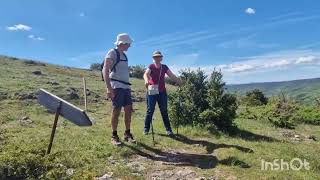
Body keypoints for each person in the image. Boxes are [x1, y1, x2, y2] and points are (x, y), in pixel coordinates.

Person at [102, 33, 135, 145]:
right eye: (128, 44)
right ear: (123, 43)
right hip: (117, 86)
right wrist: (109, 88)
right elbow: (105, 70)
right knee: (116, 111)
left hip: (126, 87)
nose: (129, 46)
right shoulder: (112, 52)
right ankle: (114, 135)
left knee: (128, 111)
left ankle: (127, 133)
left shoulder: (124, 56)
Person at [143, 51, 182, 136]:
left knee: (164, 111)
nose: (157, 58)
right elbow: (146, 74)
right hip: (152, 89)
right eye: (155, 57)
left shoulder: (164, 67)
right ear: (153, 58)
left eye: (158, 57)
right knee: (150, 110)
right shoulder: (151, 66)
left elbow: (171, 76)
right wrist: (146, 81)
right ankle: (146, 129)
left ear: (161, 58)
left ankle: (168, 130)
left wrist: (179, 82)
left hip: (162, 92)